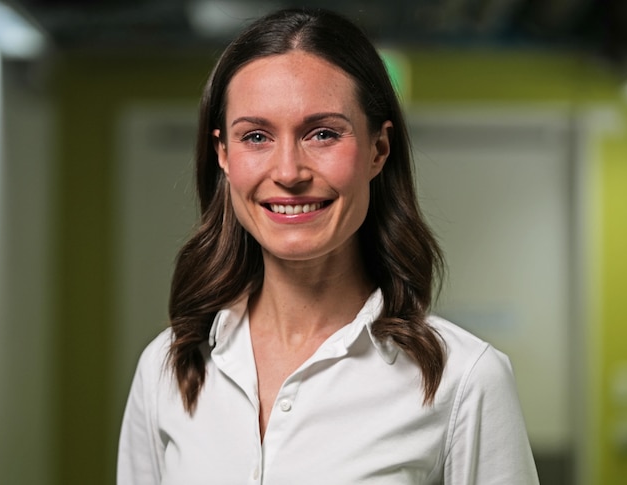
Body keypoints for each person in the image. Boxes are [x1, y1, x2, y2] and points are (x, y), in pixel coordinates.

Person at [118, 7, 539, 484]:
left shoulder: (464, 379)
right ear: (223, 155)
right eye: (255, 136)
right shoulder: (167, 367)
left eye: (323, 134)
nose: (289, 172)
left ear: (378, 150)